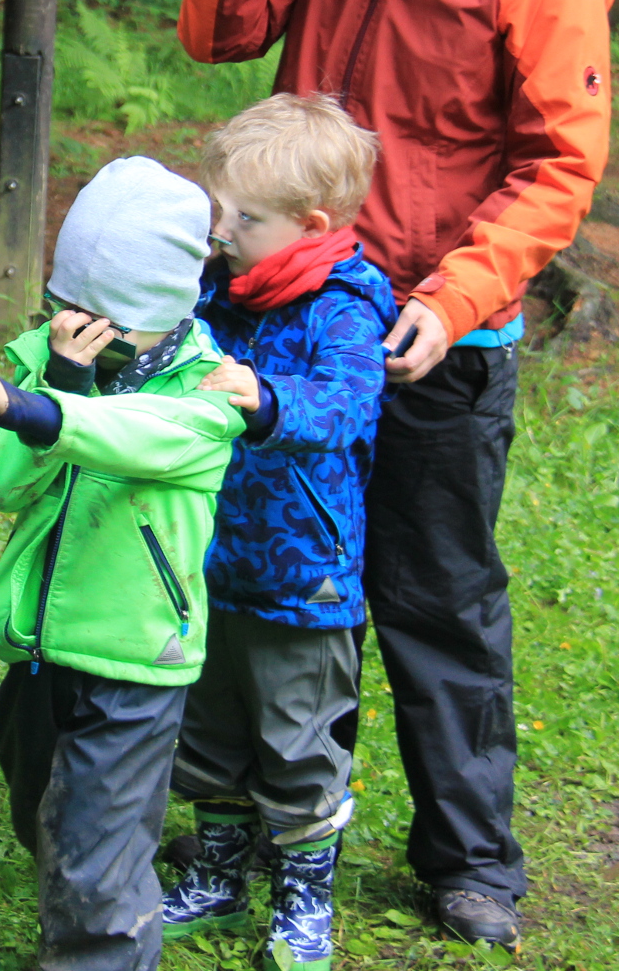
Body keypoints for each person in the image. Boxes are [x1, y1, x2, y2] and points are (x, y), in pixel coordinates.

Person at [176, 0, 614, 951]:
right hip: (288, 308)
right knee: (266, 577)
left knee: (433, 595)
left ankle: (470, 861)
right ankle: (267, 821)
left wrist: (454, 297)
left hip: (436, 330)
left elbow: (557, 162)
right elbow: (218, 32)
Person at [0, 155, 244, 971]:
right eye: (67, 308)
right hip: (41, 650)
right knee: (42, 815)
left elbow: (131, 435)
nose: (82, 330)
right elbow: (6, 485)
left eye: (106, 320)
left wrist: (47, 405)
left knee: (98, 855)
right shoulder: (51, 356)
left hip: (135, 662)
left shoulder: (210, 392)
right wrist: (60, 377)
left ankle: (103, 951)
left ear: (163, 307)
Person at [155, 96, 396, 971]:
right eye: (218, 211)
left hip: (304, 580)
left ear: (312, 225)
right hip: (209, 561)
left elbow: (347, 404)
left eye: (244, 219)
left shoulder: (345, 305)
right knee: (208, 729)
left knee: (299, 743)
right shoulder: (219, 291)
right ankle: (218, 873)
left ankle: (304, 899)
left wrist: (267, 398)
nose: (221, 232)